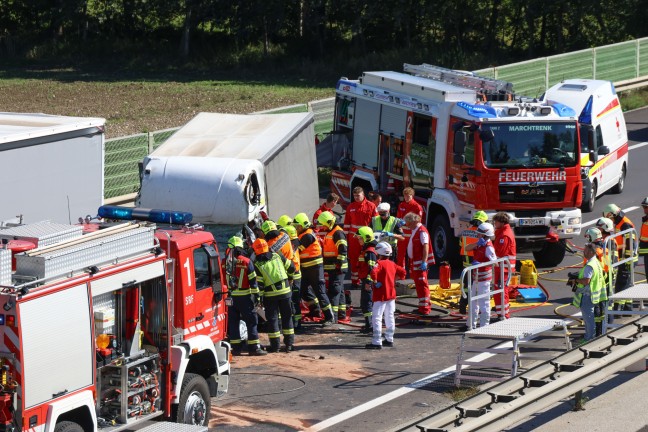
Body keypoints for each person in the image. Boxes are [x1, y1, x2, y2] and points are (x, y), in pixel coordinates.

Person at [252, 238, 296, 353]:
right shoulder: (277, 256)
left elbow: (260, 285)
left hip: (270, 295)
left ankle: (275, 346)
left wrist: (259, 299)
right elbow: (292, 268)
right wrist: (290, 278)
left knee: (273, 320)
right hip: (286, 292)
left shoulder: (257, 264)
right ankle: (289, 345)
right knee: (287, 317)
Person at [225, 236, 266, 356]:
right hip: (245, 297)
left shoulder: (224, 262)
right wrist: (257, 297)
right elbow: (253, 282)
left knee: (233, 322)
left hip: (230, 298)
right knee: (251, 321)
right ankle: (254, 348)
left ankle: (236, 348)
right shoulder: (247, 262)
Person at [294, 213, 336, 325]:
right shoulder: (303, 234)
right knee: (303, 290)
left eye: (297, 226)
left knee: (320, 292)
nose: (295, 228)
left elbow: (297, 250)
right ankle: (315, 310)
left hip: (314, 268)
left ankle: (329, 317)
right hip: (306, 268)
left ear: (302, 226)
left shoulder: (308, 235)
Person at [365, 242, 406, 350]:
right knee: (389, 316)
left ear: (379, 252)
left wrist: (374, 282)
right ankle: (389, 339)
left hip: (381, 295)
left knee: (377, 317)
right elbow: (403, 272)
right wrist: (394, 279)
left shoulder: (379, 263)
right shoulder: (393, 264)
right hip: (391, 295)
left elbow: (373, 272)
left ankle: (377, 341)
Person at [343, 186, 378, 304]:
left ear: (363, 195)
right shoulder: (351, 207)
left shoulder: (371, 206)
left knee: (365, 259)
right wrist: (345, 238)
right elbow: (347, 224)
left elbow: (375, 223)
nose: (356, 198)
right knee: (353, 259)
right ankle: (354, 281)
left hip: (366, 239)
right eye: (354, 196)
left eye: (358, 195)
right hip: (354, 239)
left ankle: (366, 280)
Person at [570, 243, 606, 343]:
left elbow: (586, 281)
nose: (583, 252)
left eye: (585, 250)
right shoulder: (596, 262)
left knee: (588, 318)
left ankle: (589, 338)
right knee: (590, 317)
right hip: (594, 294)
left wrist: (576, 281)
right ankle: (590, 337)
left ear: (590, 252)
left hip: (587, 295)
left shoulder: (590, 265)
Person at [603, 203, 636, 313]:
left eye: (609, 217)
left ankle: (618, 308)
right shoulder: (619, 222)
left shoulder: (625, 224)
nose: (609, 220)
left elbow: (630, 244)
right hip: (624, 257)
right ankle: (627, 308)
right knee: (626, 283)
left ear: (613, 214)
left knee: (621, 283)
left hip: (627, 257)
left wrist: (627, 259)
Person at [464, 222, 497, 329]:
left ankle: (484, 326)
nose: (477, 235)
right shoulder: (480, 243)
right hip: (476, 278)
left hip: (484, 280)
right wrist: (477, 243)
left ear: (484, 234)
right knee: (473, 302)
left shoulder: (488, 247)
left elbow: (495, 262)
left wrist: (482, 264)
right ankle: (470, 325)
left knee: (484, 303)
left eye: (479, 233)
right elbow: (467, 248)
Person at [318, 211, 348, 323]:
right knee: (339, 291)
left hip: (337, 268)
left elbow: (343, 249)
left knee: (334, 291)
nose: (322, 227)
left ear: (329, 222)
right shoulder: (331, 231)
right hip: (334, 267)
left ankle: (333, 317)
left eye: (323, 225)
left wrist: (338, 264)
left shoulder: (337, 233)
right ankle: (341, 313)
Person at [403, 212, 435, 315]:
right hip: (416, 262)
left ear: (415, 221)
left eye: (408, 223)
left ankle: (425, 309)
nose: (407, 226)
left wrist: (424, 261)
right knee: (419, 285)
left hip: (419, 263)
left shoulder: (421, 231)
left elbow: (425, 246)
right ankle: (422, 307)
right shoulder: (416, 230)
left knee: (422, 285)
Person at [458, 210, 488, 314]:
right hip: (475, 260)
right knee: (477, 285)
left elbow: (461, 243)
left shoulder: (465, 231)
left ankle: (462, 305)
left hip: (465, 260)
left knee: (466, 284)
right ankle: (477, 308)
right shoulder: (480, 234)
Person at [492, 212, 516, 320]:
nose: (494, 224)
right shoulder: (503, 232)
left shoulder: (504, 235)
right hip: (502, 268)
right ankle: (501, 313)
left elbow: (500, 253)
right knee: (500, 291)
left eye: (495, 222)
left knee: (502, 291)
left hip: (503, 268)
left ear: (501, 222)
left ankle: (504, 315)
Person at [356, 226, 378, 332]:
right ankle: (368, 324)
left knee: (367, 302)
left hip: (368, 281)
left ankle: (370, 325)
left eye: (360, 238)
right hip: (365, 280)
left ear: (366, 238)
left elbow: (372, 269)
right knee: (365, 303)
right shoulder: (366, 250)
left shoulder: (370, 253)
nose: (358, 240)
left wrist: (368, 282)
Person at [396, 187, 424, 269]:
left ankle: (413, 272)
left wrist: (407, 223)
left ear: (412, 196)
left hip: (412, 234)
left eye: (408, 196)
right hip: (402, 234)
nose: (406, 198)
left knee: (412, 254)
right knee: (400, 255)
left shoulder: (417, 207)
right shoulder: (401, 205)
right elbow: (398, 217)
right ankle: (401, 273)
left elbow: (418, 221)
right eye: (405, 196)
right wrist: (399, 223)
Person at [640, 197, 648, 281]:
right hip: (646, 251)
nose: (644, 209)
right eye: (643, 207)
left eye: (646, 207)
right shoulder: (646, 218)